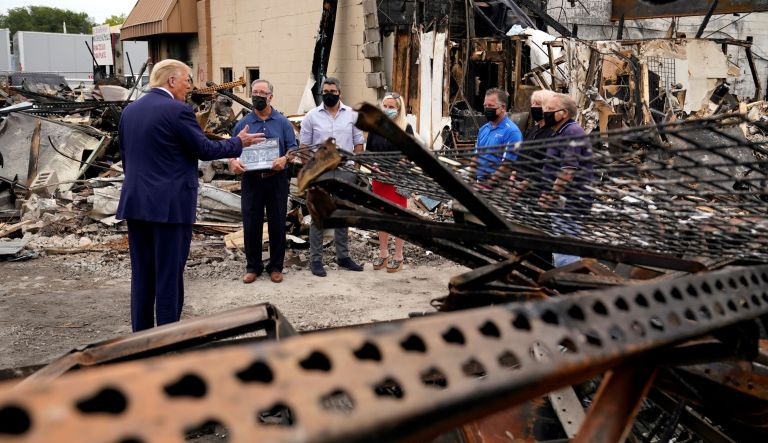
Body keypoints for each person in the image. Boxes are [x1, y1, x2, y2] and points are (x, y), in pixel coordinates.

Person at [117, 59, 263, 332]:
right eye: (187, 80)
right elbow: (204, 150)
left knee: (143, 275)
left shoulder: (130, 111)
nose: (189, 86)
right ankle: (169, 338)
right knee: (169, 276)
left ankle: (141, 338)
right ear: (171, 81)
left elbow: (127, 158)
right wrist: (238, 143)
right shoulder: (177, 110)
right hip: (170, 207)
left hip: (136, 204)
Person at [228, 79, 297, 284]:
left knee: (277, 223)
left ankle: (276, 266)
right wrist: (233, 162)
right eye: (254, 92)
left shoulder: (282, 122)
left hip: (276, 179)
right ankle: (253, 267)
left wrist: (284, 159)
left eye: (262, 93)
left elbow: (293, 149)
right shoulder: (243, 123)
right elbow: (232, 148)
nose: (257, 96)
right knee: (251, 223)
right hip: (252, 180)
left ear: (270, 97)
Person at [299, 77, 365, 277]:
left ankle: (343, 257)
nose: (328, 94)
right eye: (325, 90)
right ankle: (316, 260)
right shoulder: (311, 116)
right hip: (320, 172)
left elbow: (359, 145)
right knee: (319, 215)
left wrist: (355, 169)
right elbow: (304, 148)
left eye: (332, 91)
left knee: (343, 214)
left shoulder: (352, 116)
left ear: (339, 93)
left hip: (346, 171)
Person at [538, 93, 594, 267]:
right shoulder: (560, 133)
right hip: (565, 200)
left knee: (565, 249)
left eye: (550, 109)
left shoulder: (572, 132)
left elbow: (567, 172)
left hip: (570, 201)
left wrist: (550, 196)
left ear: (564, 113)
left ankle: (568, 285)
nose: (544, 112)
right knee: (561, 245)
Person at [367, 92, 413, 273]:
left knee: (398, 217)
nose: (387, 110)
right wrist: (374, 166)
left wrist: (393, 167)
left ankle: (398, 256)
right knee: (381, 216)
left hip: (397, 180)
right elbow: (370, 152)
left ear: (399, 109)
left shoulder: (405, 128)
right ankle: (383, 252)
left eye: (391, 107)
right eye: (385, 106)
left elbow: (409, 155)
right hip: (379, 179)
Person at [474, 88, 523, 183]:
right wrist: (469, 178)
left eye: (491, 106)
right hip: (479, 182)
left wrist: (486, 185)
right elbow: (476, 157)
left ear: (503, 108)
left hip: (498, 187)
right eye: (485, 105)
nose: (487, 108)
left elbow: (506, 166)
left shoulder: (512, 132)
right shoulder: (483, 129)